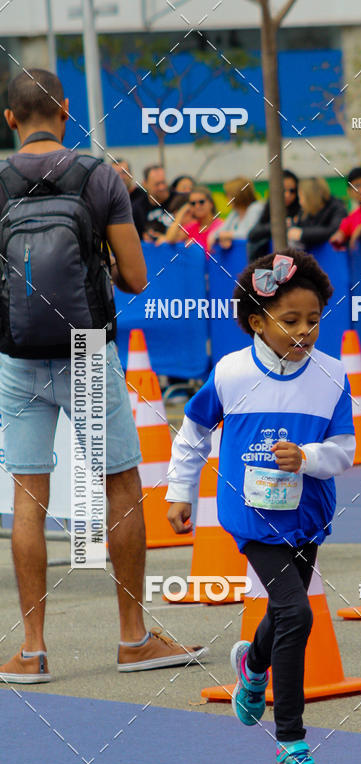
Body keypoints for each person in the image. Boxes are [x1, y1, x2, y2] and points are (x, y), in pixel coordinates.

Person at [0, 68, 207, 683]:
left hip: (17, 354)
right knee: (120, 485)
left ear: (10, 119)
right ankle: (132, 638)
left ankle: (32, 650)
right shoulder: (97, 176)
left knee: (29, 497)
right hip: (88, 350)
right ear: (66, 110)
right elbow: (136, 279)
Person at [166, 249, 355, 764]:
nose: (304, 332)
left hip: (307, 514)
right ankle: (291, 744)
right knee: (298, 614)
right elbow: (194, 430)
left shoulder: (331, 375)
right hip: (250, 516)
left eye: (314, 320)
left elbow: (346, 448)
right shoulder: (230, 372)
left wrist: (310, 458)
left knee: (283, 609)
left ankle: (252, 667)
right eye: (290, 321)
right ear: (257, 322)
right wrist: (181, 491)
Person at [247, 170, 300, 260]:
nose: (287, 195)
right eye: (283, 190)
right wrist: (278, 226)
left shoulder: (302, 210)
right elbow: (252, 234)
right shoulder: (269, 208)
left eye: (292, 191)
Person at [157, 184, 223, 251]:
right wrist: (181, 212)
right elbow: (170, 239)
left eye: (201, 202)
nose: (197, 206)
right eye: (193, 203)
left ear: (211, 203)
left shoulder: (219, 225)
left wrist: (195, 247)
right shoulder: (193, 226)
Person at [287, 177, 346, 249]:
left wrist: (303, 233)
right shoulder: (306, 211)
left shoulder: (337, 208)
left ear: (311, 197)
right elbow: (296, 228)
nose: (300, 202)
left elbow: (334, 231)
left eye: (301, 197)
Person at [207, 176, 264, 251]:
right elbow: (218, 232)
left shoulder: (256, 208)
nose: (226, 199)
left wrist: (227, 235)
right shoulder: (235, 212)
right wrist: (219, 236)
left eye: (228, 195)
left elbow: (248, 234)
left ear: (238, 195)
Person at [131, 164, 172, 241]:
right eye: (157, 184)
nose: (162, 187)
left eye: (163, 182)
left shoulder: (179, 200)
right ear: (145, 184)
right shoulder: (136, 209)